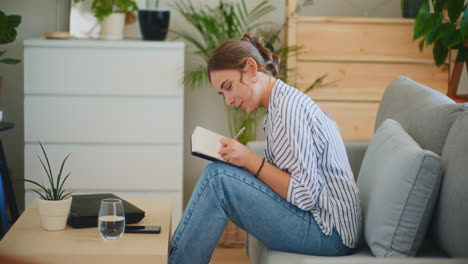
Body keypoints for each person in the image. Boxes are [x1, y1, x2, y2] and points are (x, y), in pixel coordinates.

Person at [168, 34, 362, 263]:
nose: (228, 100)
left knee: (217, 178)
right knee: (221, 174)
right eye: (223, 94)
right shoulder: (279, 105)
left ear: (251, 69)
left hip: (330, 233)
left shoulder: (288, 111)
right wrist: (242, 162)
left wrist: (250, 160)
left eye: (228, 87)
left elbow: (305, 195)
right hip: (324, 224)